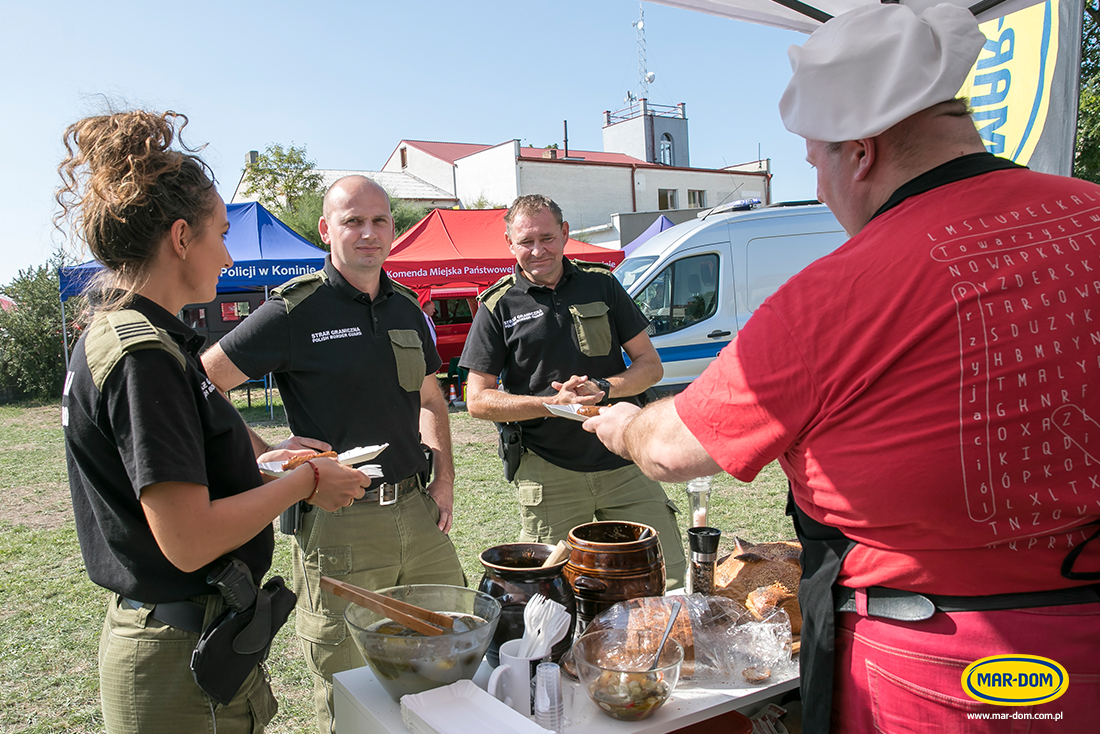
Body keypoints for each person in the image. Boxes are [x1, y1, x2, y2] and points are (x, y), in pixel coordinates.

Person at [585, 5, 1100, 732]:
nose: (819, 187)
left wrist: (626, 424)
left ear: (861, 153)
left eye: (816, 160)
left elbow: (674, 448)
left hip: (942, 666)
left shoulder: (838, 293)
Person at [57, 110, 366, 734]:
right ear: (179, 237)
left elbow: (183, 458)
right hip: (176, 662)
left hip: (191, 643)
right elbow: (189, 538)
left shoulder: (140, 338)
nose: (228, 253)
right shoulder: (143, 355)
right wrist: (307, 485)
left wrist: (275, 457)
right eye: (220, 234)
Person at [201, 175, 464, 734]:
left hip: (419, 517)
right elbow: (205, 384)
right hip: (342, 524)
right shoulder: (294, 311)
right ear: (326, 229)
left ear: (394, 228)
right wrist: (272, 454)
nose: (368, 233)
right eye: (352, 221)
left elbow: (430, 396)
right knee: (353, 686)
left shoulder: (407, 310)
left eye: (379, 221)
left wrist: (442, 478)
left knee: (449, 659)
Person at [460, 194, 686, 589]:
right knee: (554, 592)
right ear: (510, 243)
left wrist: (603, 387)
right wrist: (552, 405)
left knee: (663, 578)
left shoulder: (602, 285)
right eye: (526, 242)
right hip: (549, 472)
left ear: (565, 234)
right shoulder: (497, 306)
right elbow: (477, 399)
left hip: (624, 458)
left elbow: (650, 367)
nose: (537, 250)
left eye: (546, 238)